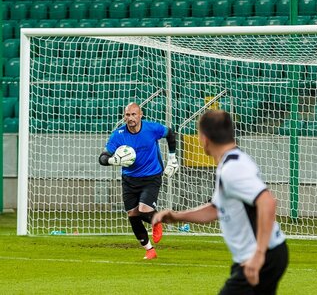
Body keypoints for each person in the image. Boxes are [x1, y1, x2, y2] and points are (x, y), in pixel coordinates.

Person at [152, 110, 288, 294]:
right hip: (266, 254)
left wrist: (258, 255)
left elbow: (268, 202)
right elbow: (215, 210)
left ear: (205, 138)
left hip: (263, 255)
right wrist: (177, 216)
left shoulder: (233, 168)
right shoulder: (232, 161)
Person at [98, 102, 179, 260]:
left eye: (134, 114)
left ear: (141, 115)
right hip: (129, 179)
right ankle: (149, 250)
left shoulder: (151, 129)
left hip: (151, 176)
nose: (130, 118)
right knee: (133, 215)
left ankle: (157, 220)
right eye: (127, 115)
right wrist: (112, 160)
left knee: (143, 209)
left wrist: (172, 158)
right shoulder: (118, 135)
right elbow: (102, 157)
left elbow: (170, 133)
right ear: (124, 116)